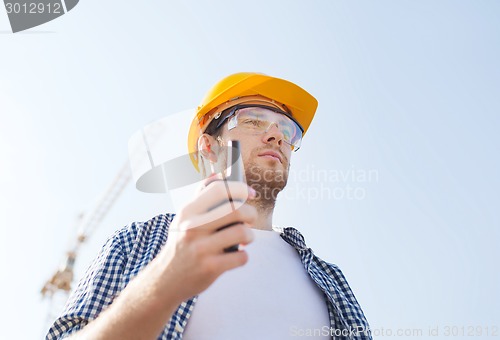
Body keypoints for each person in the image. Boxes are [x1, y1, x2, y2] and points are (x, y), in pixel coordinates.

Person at [46, 72, 372, 340]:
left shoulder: (331, 279)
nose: (277, 136)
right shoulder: (137, 242)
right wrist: (164, 281)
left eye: (288, 130)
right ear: (209, 146)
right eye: (253, 120)